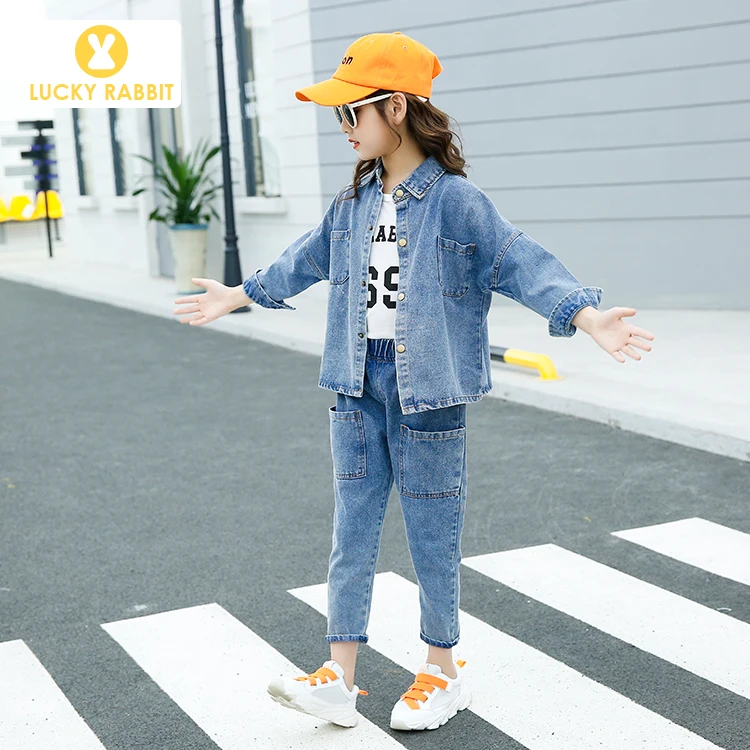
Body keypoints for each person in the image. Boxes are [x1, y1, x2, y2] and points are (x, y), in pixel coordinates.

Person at [173, 31, 655, 732]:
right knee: (352, 531)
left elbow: (520, 260)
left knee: (433, 534)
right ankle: (339, 678)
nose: (343, 127)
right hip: (355, 386)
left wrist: (585, 315)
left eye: (352, 112)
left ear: (395, 107)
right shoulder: (353, 203)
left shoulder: (456, 202)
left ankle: (441, 670)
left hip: (428, 390)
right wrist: (239, 294)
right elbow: (303, 260)